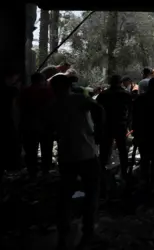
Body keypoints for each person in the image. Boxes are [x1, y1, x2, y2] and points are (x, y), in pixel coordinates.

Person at [48, 74, 104, 250]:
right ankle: (88, 233)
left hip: (66, 156)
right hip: (86, 154)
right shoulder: (77, 99)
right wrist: (99, 130)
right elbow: (99, 109)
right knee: (92, 193)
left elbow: (49, 129)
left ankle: (63, 234)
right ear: (68, 87)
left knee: (64, 195)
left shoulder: (52, 105)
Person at [96, 75, 132, 178]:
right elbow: (131, 110)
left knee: (105, 148)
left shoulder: (103, 94)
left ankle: (102, 170)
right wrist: (128, 123)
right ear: (120, 82)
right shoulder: (125, 94)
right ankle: (124, 171)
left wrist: (98, 124)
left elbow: (97, 110)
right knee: (122, 149)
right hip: (120, 125)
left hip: (107, 125)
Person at [19, 72, 54, 178]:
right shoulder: (48, 91)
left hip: (28, 126)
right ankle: (45, 172)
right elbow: (54, 107)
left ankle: (32, 173)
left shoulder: (24, 92)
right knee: (46, 150)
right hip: (46, 126)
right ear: (42, 80)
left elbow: (19, 108)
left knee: (30, 152)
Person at [0, 68, 21, 181]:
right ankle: (10, 169)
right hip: (8, 123)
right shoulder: (12, 91)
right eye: (15, 77)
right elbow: (15, 109)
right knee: (10, 146)